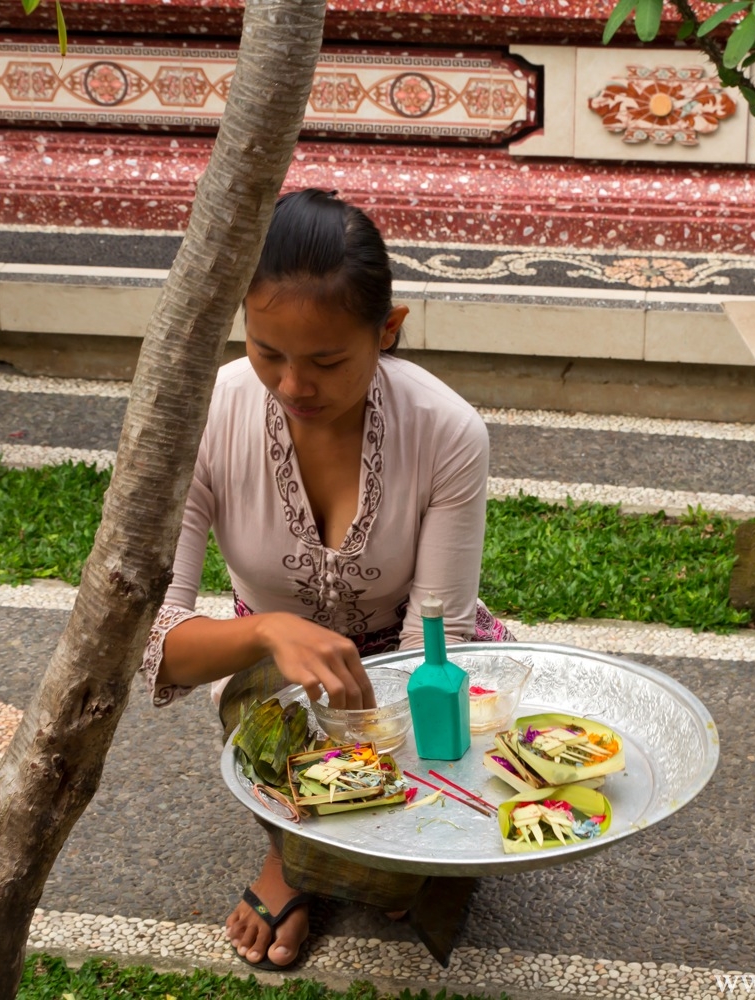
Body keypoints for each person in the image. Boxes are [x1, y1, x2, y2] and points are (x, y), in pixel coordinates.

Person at [141, 188, 513, 969]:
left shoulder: (447, 431)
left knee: (424, 836)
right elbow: (155, 642)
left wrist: (385, 735)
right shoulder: (209, 414)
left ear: (388, 330)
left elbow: (429, 646)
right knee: (275, 694)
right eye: (266, 351)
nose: (291, 386)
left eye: (326, 361)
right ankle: (299, 855)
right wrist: (271, 628)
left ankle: (327, 850)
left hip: (424, 674)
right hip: (274, 683)